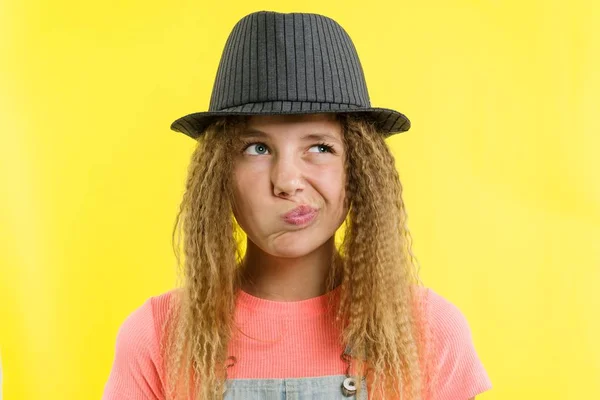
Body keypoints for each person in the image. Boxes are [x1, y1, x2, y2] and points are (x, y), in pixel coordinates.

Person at [102, 10, 492, 400]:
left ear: (359, 168)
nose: (287, 181)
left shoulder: (428, 330)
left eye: (320, 147)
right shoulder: (157, 336)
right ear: (218, 171)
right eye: (257, 148)